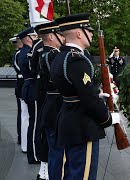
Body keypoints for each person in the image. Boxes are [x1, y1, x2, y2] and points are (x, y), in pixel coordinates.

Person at [51, 13, 119, 179]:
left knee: (71, 171)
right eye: (88, 30)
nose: (91, 34)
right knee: (83, 174)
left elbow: (76, 91)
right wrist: (108, 118)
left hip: (69, 119)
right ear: (79, 33)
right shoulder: (77, 60)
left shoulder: (60, 56)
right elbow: (88, 101)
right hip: (82, 125)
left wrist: (96, 95)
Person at [34, 21, 65, 180]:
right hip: (57, 103)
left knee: (53, 145)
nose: (63, 37)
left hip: (50, 101)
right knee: (57, 148)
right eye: (60, 34)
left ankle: (47, 172)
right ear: (52, 36)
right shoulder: (52, 55)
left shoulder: (44, 53)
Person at [17, 27, 41, 164]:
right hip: (31, 88)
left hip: (30, 87)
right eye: (35, 36)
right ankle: (34, 155)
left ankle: (34, 153)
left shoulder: (25, 52)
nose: (37, 39)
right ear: (28, 38)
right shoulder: (26, 53)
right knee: (34, 122)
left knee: (34, 121)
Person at [10, 35, 24, 145]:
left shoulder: (18, 54)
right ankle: (21, 137)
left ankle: (21, 137)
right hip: (22, 85)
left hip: (21, 85)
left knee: (22, 113)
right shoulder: (18, 54)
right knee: (23, 113)